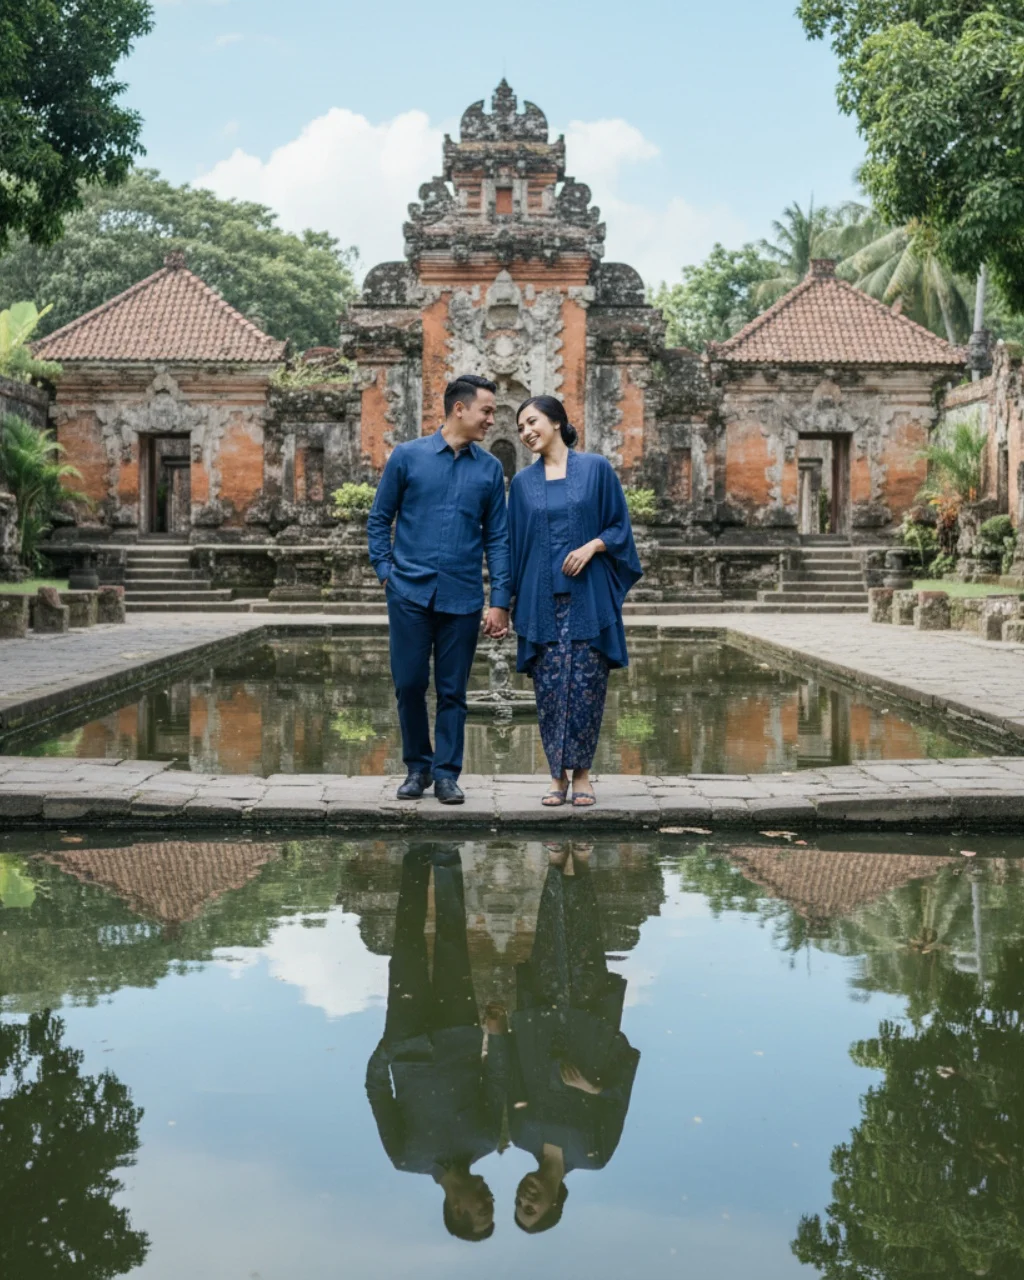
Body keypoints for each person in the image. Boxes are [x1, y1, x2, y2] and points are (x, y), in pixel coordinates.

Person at [367, 374, 511, 805]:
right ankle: (417, 767)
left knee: (453, 690)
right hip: (408, 591)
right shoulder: (407, 458)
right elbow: (379, 519)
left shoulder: (490, 469)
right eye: (486, 410)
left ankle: (447, 773)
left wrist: (499, 600)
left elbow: (498, 539)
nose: (492, 419)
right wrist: (385, 572)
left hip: (463, 596)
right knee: (409, 683)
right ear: (459, 409)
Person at [365, 844, 509, 1242]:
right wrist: (496, 1038)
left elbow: (377, 1093)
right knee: (452, 939)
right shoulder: (484, 1139)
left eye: (481, 1207)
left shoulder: (405, 1157)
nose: (489, 1197)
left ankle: (414, 857)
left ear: (457, 1209)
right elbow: (496, 1081)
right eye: (491, 1205)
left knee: (406, 944)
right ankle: (445, 857)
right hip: (460, 1032)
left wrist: (387, 1050)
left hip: (406, 1038)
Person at [507, 396, 642, 807]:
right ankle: (555, 776)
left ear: (557, 421)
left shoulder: (597, 470)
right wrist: (503, 602)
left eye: (532, 422)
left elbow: (619, 525)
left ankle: (582, 774)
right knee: (549, 692)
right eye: (520, 428)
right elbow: (514, 547)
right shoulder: (522, 484)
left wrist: (594, 546)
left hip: (587, 599)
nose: (527, 432)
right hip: (540, 602)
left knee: (586, 689)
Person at [507, 843, 640, 1234]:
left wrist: (502, 1035)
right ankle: (581, 864)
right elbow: (620, 1098)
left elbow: (513, 1073)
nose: (525, 1199)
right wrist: (592, 1088)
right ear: (554, 1205)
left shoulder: (520, 1135)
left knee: (547, 946)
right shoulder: (594, 1153)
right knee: (585, 947)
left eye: (518, 1203)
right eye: (532, 1209)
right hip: (587, 1030)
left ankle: (553, 866)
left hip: (540, 1026)